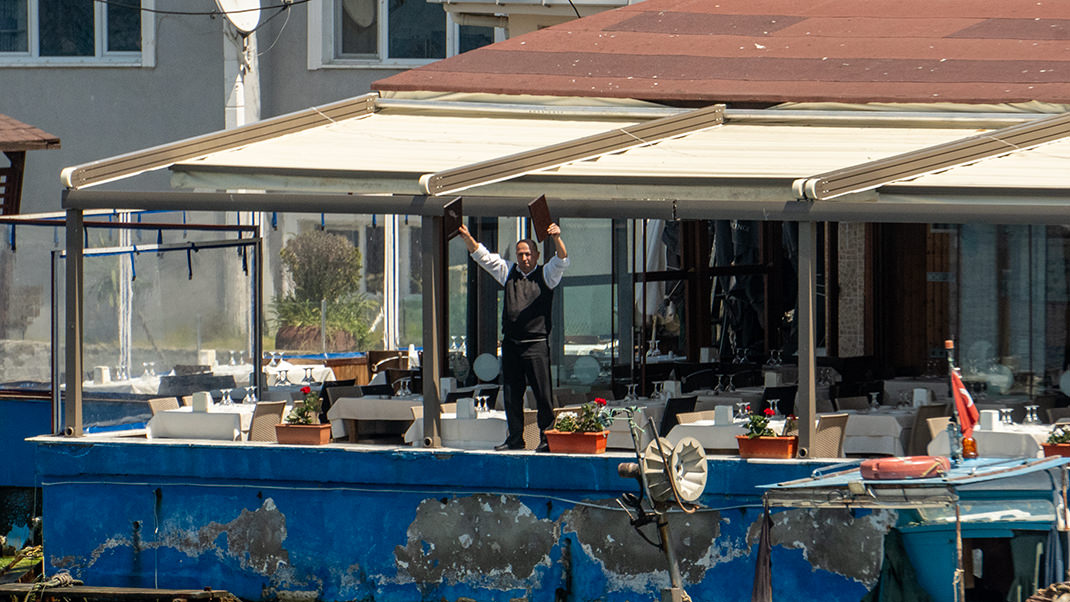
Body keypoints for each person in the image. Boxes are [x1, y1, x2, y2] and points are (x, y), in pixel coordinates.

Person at [457, 222, 569, 452]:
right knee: (511, 395)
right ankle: (515, 438)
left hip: (536, 344)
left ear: (536, 255)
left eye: (528, 254)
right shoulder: (507, 271)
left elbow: (562, 258)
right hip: (511, 345)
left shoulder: (546, 274)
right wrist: (467, 237)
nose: (524, 258)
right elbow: (482, 256)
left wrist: (557, 237)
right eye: (520, 254)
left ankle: (547, 439)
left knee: (543, 396)